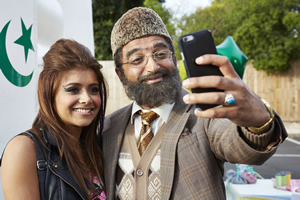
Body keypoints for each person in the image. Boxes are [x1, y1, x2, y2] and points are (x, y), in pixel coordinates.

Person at [103, 7, 287, 200]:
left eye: (160, 54)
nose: (153, 66)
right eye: (137, 59)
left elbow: (242, 148)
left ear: (174, 59)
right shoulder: (108, 128)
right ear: (120, 74)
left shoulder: (205, 114)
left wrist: (258, 122)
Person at [0, 39, 107, 199]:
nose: (87, 99)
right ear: (50, 95)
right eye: (73, 89)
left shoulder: (98, 147)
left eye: (93, 89)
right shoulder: (24, 149)